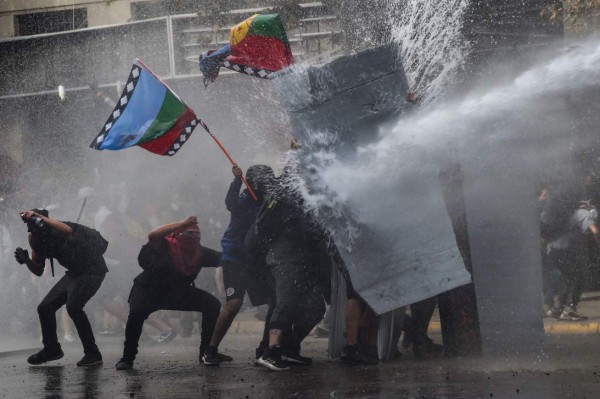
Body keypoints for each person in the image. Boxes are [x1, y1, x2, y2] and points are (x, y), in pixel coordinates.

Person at [115, 216, 225, 370]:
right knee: (136, 315)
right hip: (149, 290)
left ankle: (206, 353)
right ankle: (127, 358)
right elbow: (153, 235)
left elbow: (224, 259)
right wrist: (182, 223)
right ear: (176, 234)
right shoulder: (164, 244)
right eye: (187, 234)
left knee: (212, 305)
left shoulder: (200, 253)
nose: (192, 238)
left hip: (177, 293)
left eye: (195, 235)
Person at [14, 208, 108, 366]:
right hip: (74, 273)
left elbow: (68, 230)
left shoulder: (58, 227)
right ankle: (52, 349)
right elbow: (38, 270)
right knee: (45, 307)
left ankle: (93, 353)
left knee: (74, 307)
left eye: (37, 222)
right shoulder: (33, 238)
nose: (36, 229)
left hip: (92, 270)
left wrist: (40, 217)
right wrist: (27, 261)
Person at [202, 164, 275, 365]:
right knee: (234, 304)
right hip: (235, 257)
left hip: (255, 260)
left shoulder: (267, 203)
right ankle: (210, 350)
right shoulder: (244, 199)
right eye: (262, 181)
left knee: (274, 300)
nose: (266, 184)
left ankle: (265, 348)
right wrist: (236, 180)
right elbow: (230, 203)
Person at [254, 172, 327, 372]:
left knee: (316, 307)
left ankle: (289, 348)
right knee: (285, 303)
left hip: (302, 261)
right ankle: (271, 352)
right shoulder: (286, 191)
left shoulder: (308, 193)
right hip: (286, 258)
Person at [547, 199, 600, 320]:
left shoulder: (572, 213)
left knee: (569, 278)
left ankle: (557, 308)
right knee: (579, 277)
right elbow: (595, 231)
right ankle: (569, 309)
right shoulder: (584, 213)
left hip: (554, 249)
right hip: (563, 250)